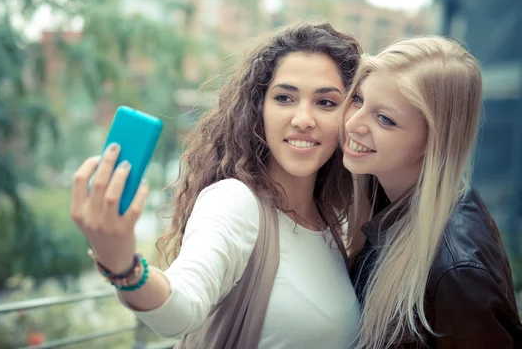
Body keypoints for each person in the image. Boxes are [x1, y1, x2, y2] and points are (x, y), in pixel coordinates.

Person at [70, 22, 363, 348]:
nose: (303, 119)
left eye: (326, 103)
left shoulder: (339, 223)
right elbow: (182, 308)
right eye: (284, 98)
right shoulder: (235, 202)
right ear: (258, 109)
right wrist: (122, 266)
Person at [340, 36, 522, 348]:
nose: (353, 123)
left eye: (385, 118)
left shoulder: (458, 269)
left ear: (434, 140)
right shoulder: (382, 196)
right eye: (358, 99)